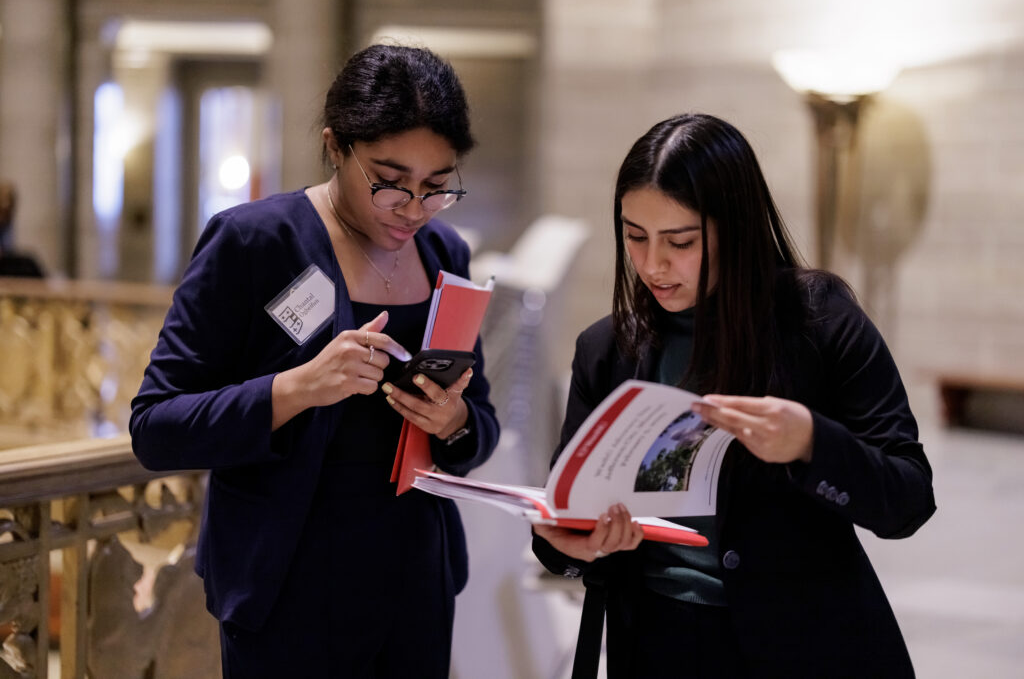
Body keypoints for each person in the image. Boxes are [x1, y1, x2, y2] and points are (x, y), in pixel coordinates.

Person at [130, 44, 500, 678]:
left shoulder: (444, 252)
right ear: (336, 146)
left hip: (414, 577)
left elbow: (480, 421)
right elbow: (155, 426)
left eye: (436, 188)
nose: (412, 209)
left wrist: (454, 421)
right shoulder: (253, 242)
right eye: (388, 183)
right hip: (286, 584)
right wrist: (296, 388)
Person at [532, 113, 936, 678]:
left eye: (681, 241)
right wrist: (564, 543)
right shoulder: (609, 348)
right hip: (656, 640)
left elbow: (909, 500)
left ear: (736, 229)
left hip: (803, 642)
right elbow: (564, 520)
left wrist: (812, 444)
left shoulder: (819, 321)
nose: (653, 264)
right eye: (634, 236)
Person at [0, 180, 45, 278]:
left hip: (6, 262)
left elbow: (8, 247)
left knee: (28, 264)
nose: (6, 206)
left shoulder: (7, 222)